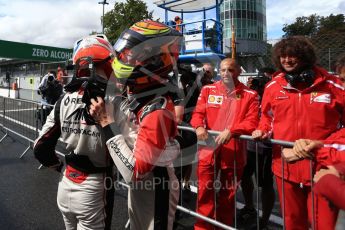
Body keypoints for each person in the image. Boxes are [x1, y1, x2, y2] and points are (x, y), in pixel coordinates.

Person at [89, 20, 183, 230]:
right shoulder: (142, 96)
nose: (125, 58)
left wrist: (106, 123)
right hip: (146, 185)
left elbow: (135, 173)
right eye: (126, 53)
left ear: (154, 61)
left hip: (155, 186)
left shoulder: (156, 111)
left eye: (132, 55)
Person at [252, 36, 345, 230]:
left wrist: (325, 148)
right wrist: (263, 130)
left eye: (292, 56)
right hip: (285, 164)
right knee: (292, 221)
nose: (287, 60)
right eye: (283, 56)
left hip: (322, 167)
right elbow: (267, 117)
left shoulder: (332, 85)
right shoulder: (272, 87)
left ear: (304, 57)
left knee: (323, 224)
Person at [33, 34, 115, 230]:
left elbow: (40, 147)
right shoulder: (114, 101)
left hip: (66, 182)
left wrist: (58, 165)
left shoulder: (64, 99)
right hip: (95, 188)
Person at [190, 58, 259, 229]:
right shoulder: (208, 90)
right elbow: (198, 113)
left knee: (228, 194)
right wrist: (198, 127)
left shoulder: (251, 95)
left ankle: (223, 226)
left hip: (233, 151)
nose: (226, 73)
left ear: (239, 72)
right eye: (222, 70)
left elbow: (252, 122)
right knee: (205, 191)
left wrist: (232, 130)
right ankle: (203, 227)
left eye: (230, 69)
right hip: (208, 149)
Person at [238, 75, 274, 230]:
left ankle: (264, 220)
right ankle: (249, 206)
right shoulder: (252, 97)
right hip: (249, 146)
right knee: (244, 176)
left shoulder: (273, 96)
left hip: (266, 148)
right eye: (254, 84)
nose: (257, 86)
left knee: (265, 185)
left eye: (260, 83)